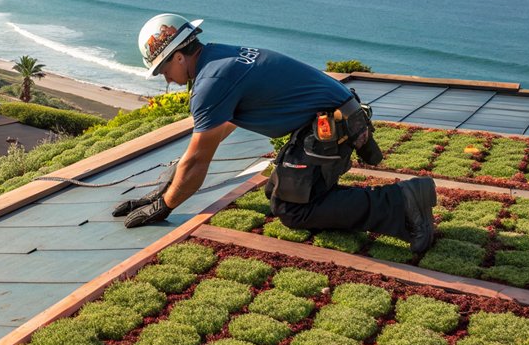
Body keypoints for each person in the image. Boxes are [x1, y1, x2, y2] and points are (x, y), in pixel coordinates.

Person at [113, 13, 436, 253]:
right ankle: (399, 204)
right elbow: (223, 126)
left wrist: (164, 207)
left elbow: (198, 159)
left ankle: (403, 200)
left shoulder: (211, 82)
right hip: (336, 119)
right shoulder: (221, 56)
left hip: (330, 128)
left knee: (293, 209)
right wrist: (162, 192)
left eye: (163, 69)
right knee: (280, 192)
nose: (166, 78)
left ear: (179, 56)